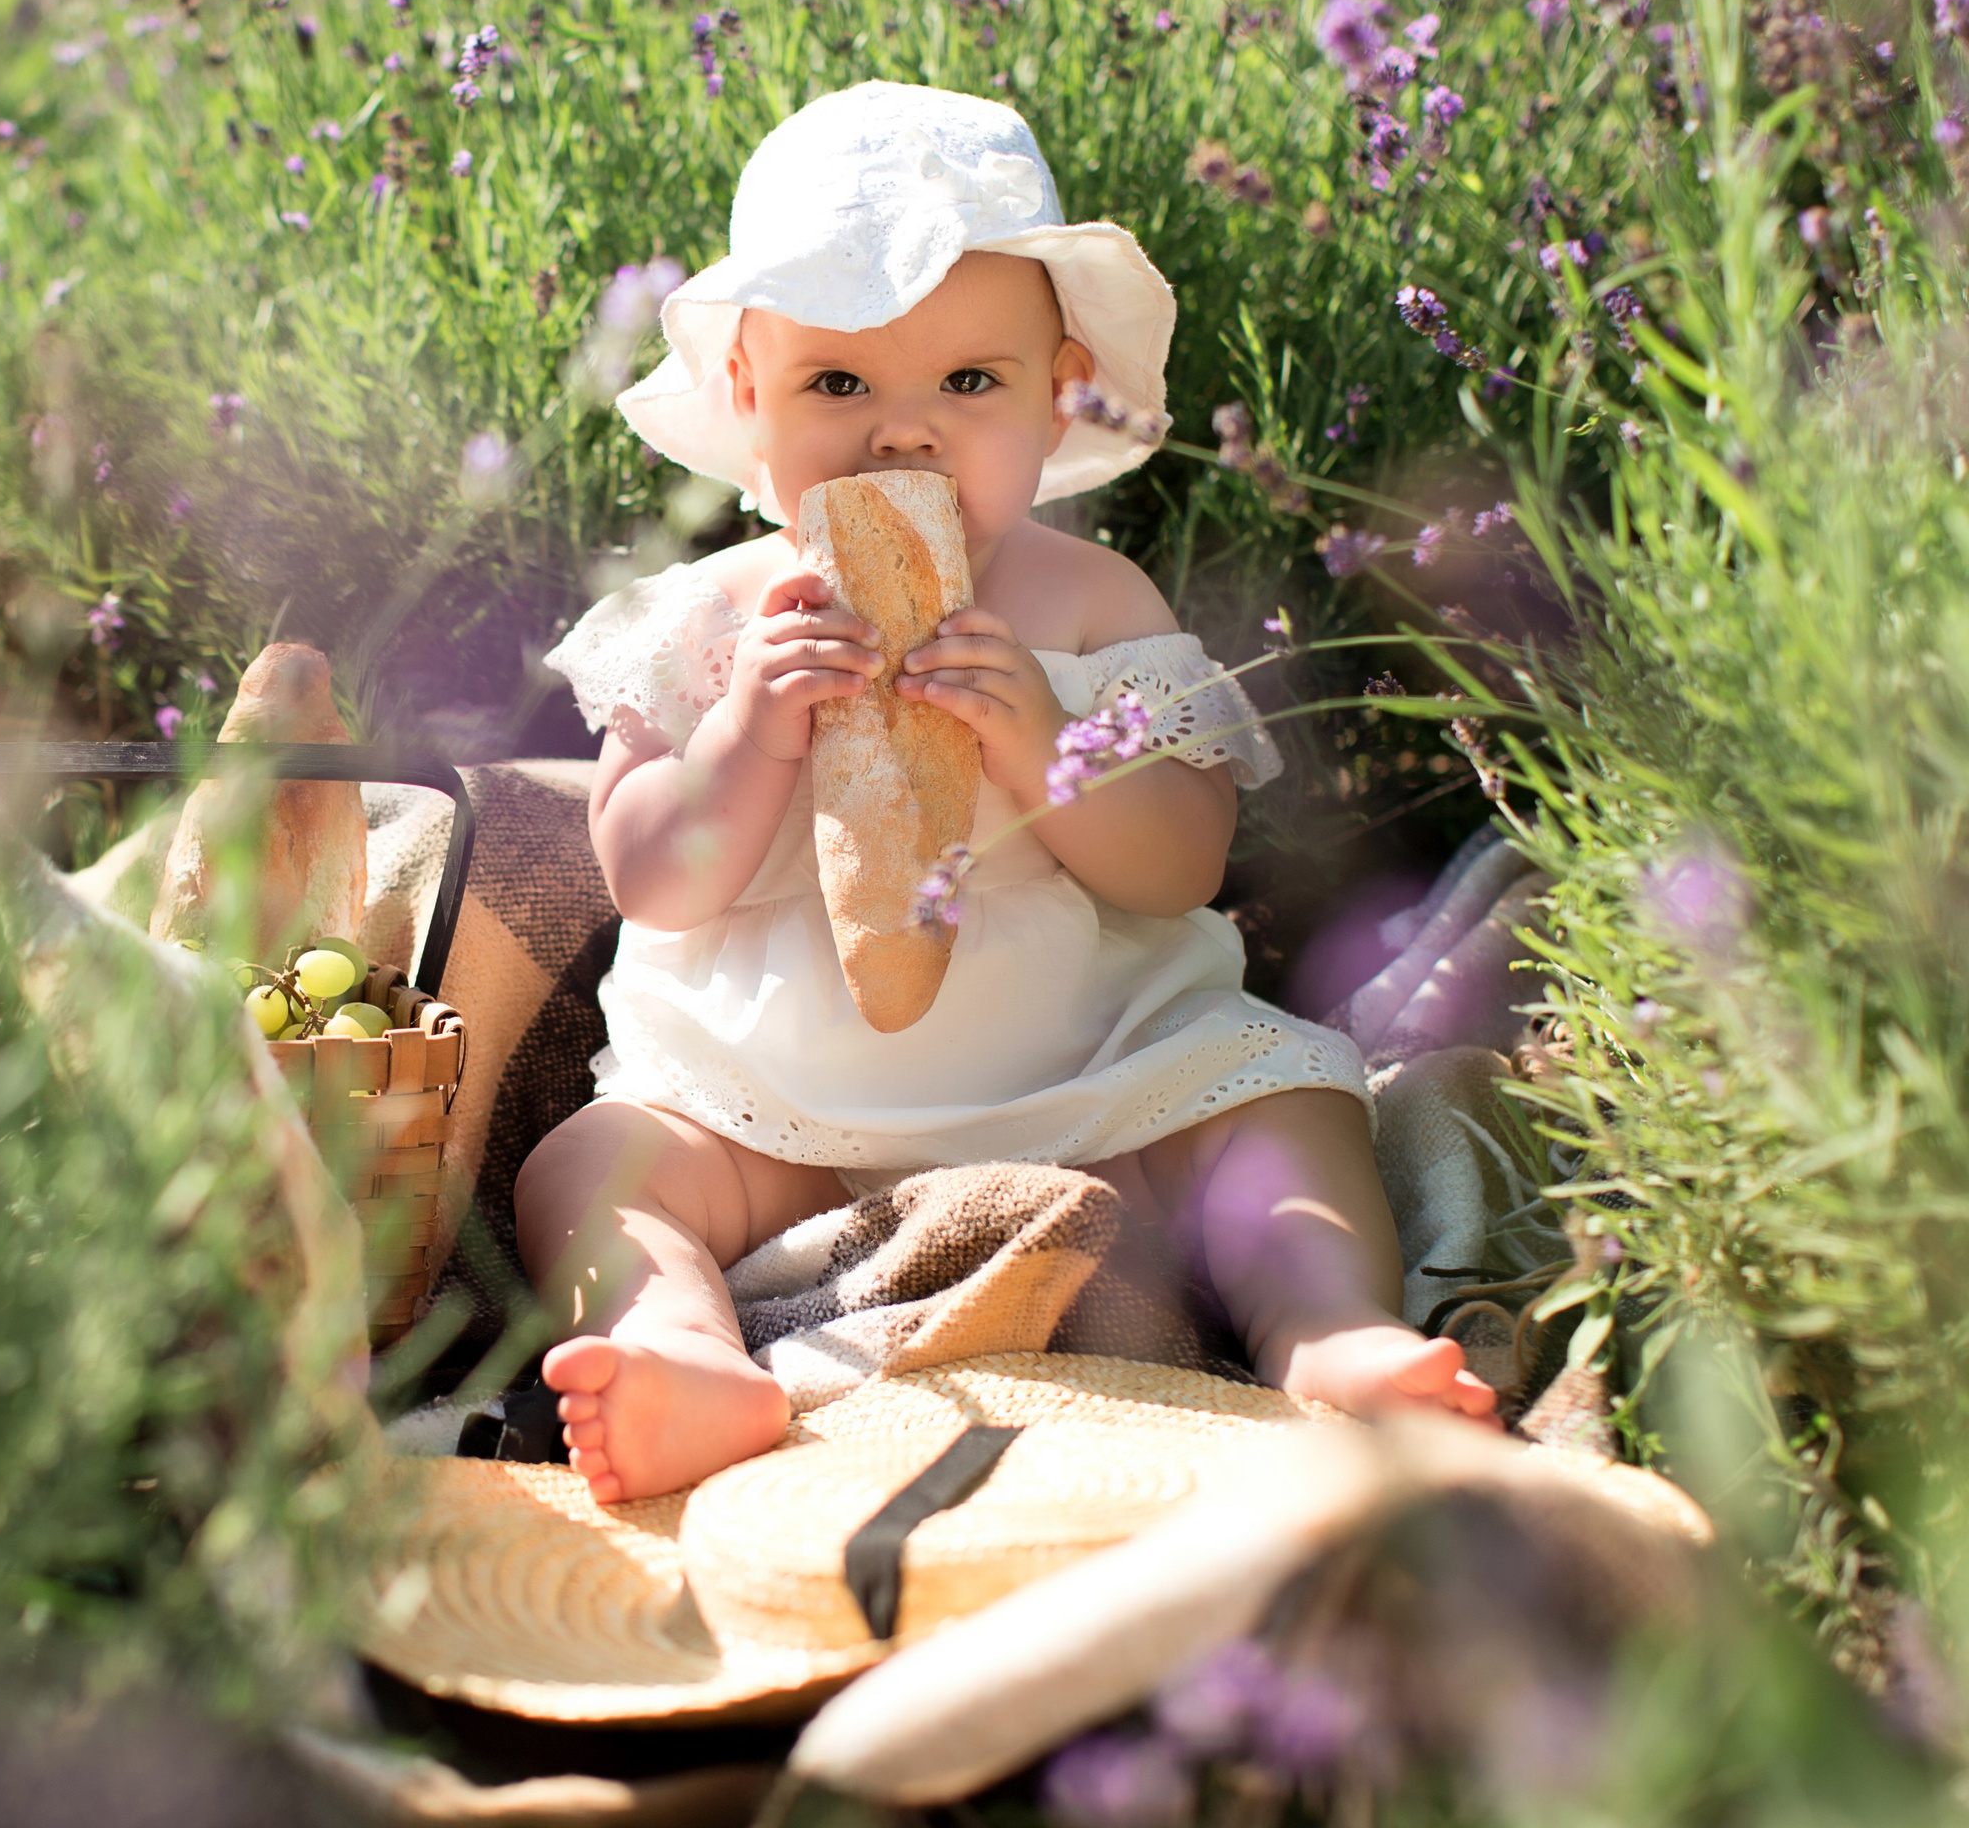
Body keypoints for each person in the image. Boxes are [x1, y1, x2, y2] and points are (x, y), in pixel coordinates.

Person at [526, 82, 1495, 1505]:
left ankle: (1328, 1333)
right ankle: (680, 1346)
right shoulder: (707, 620)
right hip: (766, 1112)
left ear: (1059, 390)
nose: (901, 436)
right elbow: (650, 877)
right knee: (589, 1170)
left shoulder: (1094, 606)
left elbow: (1178, 867)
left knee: (1288, 1104)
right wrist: (748, 733)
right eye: (838, 384)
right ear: (747, 393)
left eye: (967, 384)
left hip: (1099, 1088)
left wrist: (1050, 743)